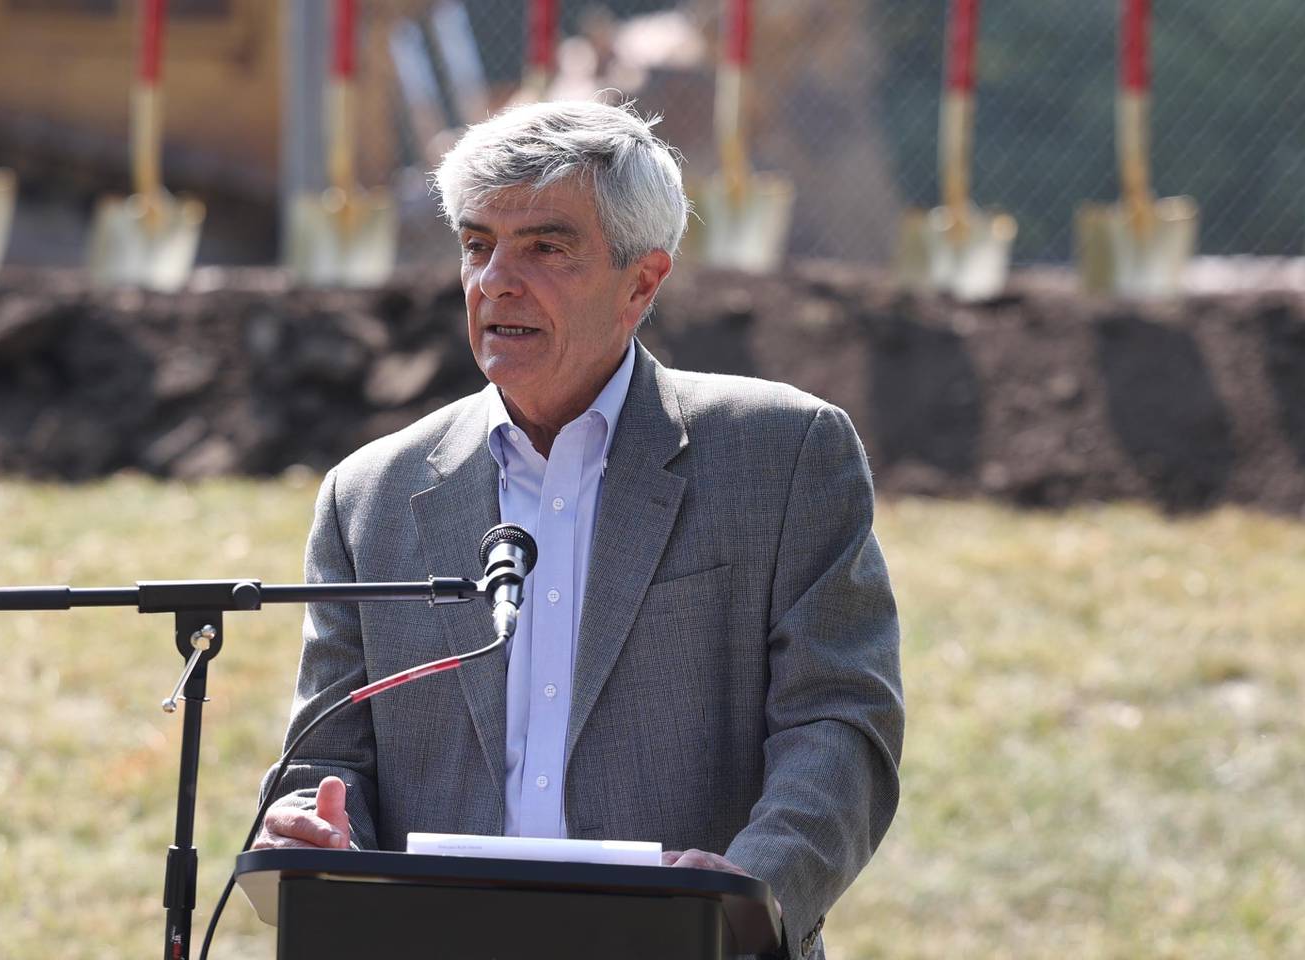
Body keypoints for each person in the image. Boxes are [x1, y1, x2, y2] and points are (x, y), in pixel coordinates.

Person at [254, 98, 904, 959]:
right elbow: (328, 763)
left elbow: (840, 724)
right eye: (478, 244)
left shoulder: (781, 456)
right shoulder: (369, 495)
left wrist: (747, 893)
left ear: (643, 281)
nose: (496, 281)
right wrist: (307, 832)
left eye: (545, 248)